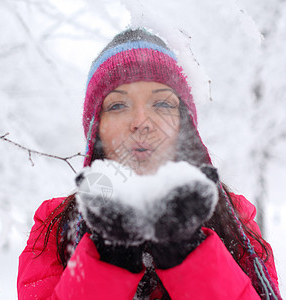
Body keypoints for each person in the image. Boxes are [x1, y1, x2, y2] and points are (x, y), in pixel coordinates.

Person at [17, 28, 281, 300]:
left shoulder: (233, 214)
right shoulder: (56, 224)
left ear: (184, 124)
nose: (141, 121)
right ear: (96, 128)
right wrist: (108, 258)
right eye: (118, 105)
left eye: (162, 104)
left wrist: (187, 252)